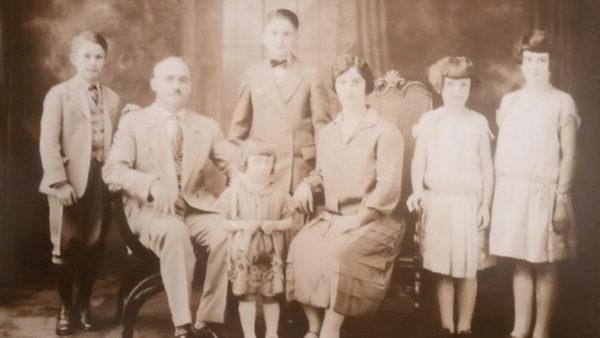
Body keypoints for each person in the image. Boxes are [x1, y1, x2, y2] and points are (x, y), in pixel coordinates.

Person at [103, 56, 237, 338]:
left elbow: (233, 163)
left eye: (183, 80)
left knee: (227, 232)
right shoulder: (134, 123)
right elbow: (112, 171)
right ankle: (183, 325)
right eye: (169, 79)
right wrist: (149, 183)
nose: (177, 86)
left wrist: (237, 187)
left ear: (190, 87)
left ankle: (207, 320)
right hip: (152, 212)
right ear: (154, 84)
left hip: (196, 208)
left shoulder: (206, 126)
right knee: (175, 233)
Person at [287, 54, 405, 338]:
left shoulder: (385, 131)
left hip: (376, 219)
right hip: (333, 217)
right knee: (300, 246)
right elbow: (323, 174)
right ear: (335, 87)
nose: (349, 89)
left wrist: (357, 220)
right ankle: (313, 329)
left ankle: (330, 330)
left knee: (338, 254)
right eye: (342, 82)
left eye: (356, 82)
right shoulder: (329, 131)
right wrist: (306, 185)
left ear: (367, 87)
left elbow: (388, 188)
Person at [489, 30, 579, 338]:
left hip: (545, 194)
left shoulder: (562, 102)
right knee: (520, 264)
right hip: (513, 192)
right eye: (530, 60)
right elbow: (504, 152)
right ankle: (519, 329)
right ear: (522, 63)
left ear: (551, 64)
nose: (536, 66)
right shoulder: (510, 101)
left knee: (545, 264)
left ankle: (541, 332)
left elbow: (568, 156)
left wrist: (561, 199)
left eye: (542, 60)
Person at [38, 31, 121, 336]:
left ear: (106, 60)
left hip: (100, 180)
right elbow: (47, 142)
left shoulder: (112, 98)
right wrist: (59, 182)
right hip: (68, 181)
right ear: (74, 59)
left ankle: (84, 304)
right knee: (65, 245)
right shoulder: (59, 95)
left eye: (98, 56)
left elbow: (116, 137)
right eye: (86, 56)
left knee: (93, 244)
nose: (93, 62)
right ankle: (65, 307)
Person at [406, 56, 495, 338]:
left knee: (467, 269)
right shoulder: (430, 120)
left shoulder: (478, 122)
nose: (457, 91)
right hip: (439, 202)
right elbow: (418, 162)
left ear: (471, 87)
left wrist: (486, 206)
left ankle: (465, 326)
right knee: (443, 268)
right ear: (440, 86)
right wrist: (418, 190)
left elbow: (487, 168)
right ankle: (447, 326)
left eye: (463, 85)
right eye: (451, 85)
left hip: (468, 203)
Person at [228, 8, 330, 196]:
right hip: (262, 167)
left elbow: (324, 131)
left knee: (294, 223)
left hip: (299, 170)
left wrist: (317, 177)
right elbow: (237, 133)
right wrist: (237, 172)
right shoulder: (252, 75)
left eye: (287, 34)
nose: (280, 39)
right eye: (274, 33)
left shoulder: (311, 74)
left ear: (295, 38)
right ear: (264, 38)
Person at [217, 138, 294, 338]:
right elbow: (223, 223)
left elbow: (289, 221)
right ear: (245, 162)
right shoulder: (235, 192)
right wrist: (243, 225)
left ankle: (271, 334)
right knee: (247, 295)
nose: (263, 167)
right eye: (257, 161)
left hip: (270, 252)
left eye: (268, 162)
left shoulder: (279, 193)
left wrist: (275, 225)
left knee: (271, 296)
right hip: (245, 252)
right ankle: (249, 334)